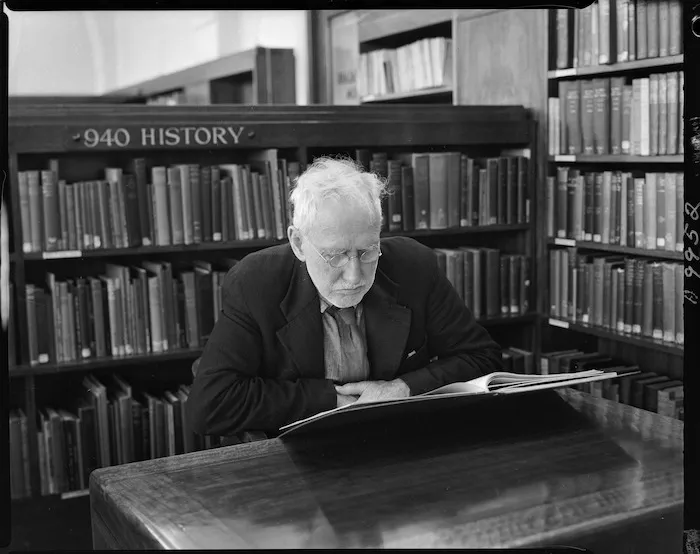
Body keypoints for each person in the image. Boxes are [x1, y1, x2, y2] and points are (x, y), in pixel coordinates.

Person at [187, 157, 503, 437]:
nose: (354, 276)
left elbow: (480, 356)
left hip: (398, 441)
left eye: (367, 252)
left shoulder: (413, 266)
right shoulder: (255, 281)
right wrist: (330, 401)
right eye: (335, 255)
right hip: (298, 455)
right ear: (298, 243)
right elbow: (210, 405)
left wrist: (401, 389)